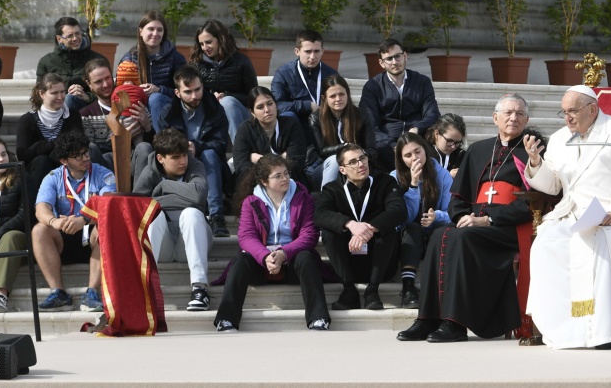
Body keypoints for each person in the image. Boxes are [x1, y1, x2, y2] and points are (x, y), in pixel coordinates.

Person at [523, 85, 611, 349]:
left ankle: (604, 333)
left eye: (572, 111)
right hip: (573, 215)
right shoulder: (561, 138)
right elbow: (553, 187)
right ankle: (566, 330)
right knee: (545, 242)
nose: (567, 118)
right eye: (563, 112)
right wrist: (536, 161)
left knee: (597, 245)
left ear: (592, 109)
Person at [397, 93, 536, 343]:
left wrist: (488, 219)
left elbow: (534, 201)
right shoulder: (478, 149)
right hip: (474, 224)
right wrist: (462, 216)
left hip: (510, 227)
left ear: (526, 120)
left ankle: (455, 323)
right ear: (495, 118)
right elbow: (458, 196)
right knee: (441, 234)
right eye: (508, 113)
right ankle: (427, 318)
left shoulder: (533, 150)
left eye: (520, 114)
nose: (513, 118)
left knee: (459, 238)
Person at [213, 155, 331, 332]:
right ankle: (226, 319)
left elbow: (309, 235)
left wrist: (284, 253)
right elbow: (246, 237)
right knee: (240, 261)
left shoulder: (303, 198)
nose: (285, 178)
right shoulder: (250, 202)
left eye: (286, 173)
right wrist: (265, 256)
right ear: (264, 181)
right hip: (262, 264)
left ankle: (319, 318)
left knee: (306, 257)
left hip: (292, 261)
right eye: (278, 176)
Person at [314, 143, 406, 311]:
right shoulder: (332, 189)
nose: (361, 164)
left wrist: (367, 230)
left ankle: (372, 291)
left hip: (379, 263)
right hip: (347, 262)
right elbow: (319, 215)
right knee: (329, 233)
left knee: (389, 231)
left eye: (363, 158)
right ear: (342, 169)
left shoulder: (385, 182)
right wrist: (350, 225)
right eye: (353, 162)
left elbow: (399, 210)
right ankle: (349, 291)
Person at [32, 132, 116, 311]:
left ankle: (92, 292)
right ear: (64, 161)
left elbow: (108, 206)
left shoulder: (104, 174)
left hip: (92, 236)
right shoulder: (53, 177)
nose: (85, 158)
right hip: (64, 236)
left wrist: (84, 219)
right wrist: (55, 222)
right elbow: (41, 209)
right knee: (39, 230)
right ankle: (59, 293)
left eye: (86, 152)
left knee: (106, 226)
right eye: (78, 155)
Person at [133, 128, 214, 311]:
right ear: (161, 158)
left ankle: (200, 289)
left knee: (191, 213)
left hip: (193, 242)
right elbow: (138, 207)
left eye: (184, 155)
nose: (183, 161)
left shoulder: (195, 166)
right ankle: (144, 288)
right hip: (163, 246)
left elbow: (198, 196)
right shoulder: (150, 171)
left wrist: (163, 187)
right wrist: (174, 198)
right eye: (176, 157)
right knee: (154, 215)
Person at [159, 65, 230, 237]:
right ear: (177, 93)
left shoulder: (215, 109)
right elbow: (163, 145)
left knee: (209, 154)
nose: (194, 95)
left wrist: (197, 146)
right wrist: (183, 148)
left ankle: (216, 216)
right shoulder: (168, 113)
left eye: (198, 89)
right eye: (188, 92)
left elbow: (220, 144)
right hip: (181, 163)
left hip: (211, 162)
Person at [390, 132, 452, 309]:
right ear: (401, 159)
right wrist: (413, 184)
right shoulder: (394, 177)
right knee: (412, 228)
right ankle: (408, 288)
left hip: (434, 231)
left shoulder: (442, 175)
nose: (414, 158)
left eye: (417, 151)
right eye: (408, 155)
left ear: (425, 149)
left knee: (443, 231)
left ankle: (444, 288)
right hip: (406, 236)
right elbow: (405, 217)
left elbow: (451, 212)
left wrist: (436, 216)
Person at [359, 38, 440, 172]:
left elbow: (433, 114)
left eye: (398, 56)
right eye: (389, 59)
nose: (394, 62)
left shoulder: (422, 82)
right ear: (381, 63)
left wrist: (417, 128)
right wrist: (392, 145)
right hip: (386, 145)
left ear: (405, 56)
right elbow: (369, 123)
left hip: (417, 138)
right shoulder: (373, 86)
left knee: (430, 152)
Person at [79, 59, 154, 176]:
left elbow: (154, 147)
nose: (105, 84)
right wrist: (119, 139)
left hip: (135, 164)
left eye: (107, 78)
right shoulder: (86, 115)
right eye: (98, 81)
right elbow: (89, 152)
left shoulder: (136, 104)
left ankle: (139, 193)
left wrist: (148, 127)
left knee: (144, 147)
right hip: (104, 168)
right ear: (89, 84)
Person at [189, 19, 258, 144]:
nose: (205, 48)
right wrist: (209, 97)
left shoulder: (241, 61)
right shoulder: (196, 64)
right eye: (202, 44)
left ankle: (240, 153)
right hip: (209, 113)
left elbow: (254, 96)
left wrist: (227, 96)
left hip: (238, 114)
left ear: (221, 39)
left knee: (227, 102)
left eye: (209, 42)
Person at [119, 11, 186, 132]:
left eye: (159, 30)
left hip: (167, 107)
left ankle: (161, 143)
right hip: (138, 107)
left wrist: (159, 90)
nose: (155, 34)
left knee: (155, 98)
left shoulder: (176, 59)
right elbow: (120, 92)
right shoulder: (129, 59)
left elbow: (184, 93)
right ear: (140, 31)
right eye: (150, 29)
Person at [232, 86, 309, 189]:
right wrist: (281, 157)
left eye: (270, 103)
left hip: (289, 179)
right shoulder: (245, 129)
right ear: (252, 112)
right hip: (257, 183)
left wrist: (259, 159)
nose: (267, 110)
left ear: (275, 104)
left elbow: (297, 161)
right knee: (246, 173)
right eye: (260, 107)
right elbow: (240, 165)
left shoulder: (291, 124)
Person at [308, 74, 376, 189]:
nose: (338, 99)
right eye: (333, 96)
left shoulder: (362, 115)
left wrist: (355, 157)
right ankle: (327, 201)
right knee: (335, 161)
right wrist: (345, 147)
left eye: (341, 94)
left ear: (347, 95)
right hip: (324, 168)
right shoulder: (315, 118)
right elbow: (322, 151)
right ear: (324, 98)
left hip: (356, 166)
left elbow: (372, 150)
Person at [271, 30, 337, 145]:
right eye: (308, 51)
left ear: (322, 51)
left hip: (325, 126)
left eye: (316, 51)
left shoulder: (331, 75)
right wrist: (307, 105)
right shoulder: (284, 73)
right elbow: (277, 105)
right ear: (297, 51)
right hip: (297, 127)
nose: (312, 56)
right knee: (287, 116)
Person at [16, 73, 83, 183]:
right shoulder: (27, 120)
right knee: (42, 161)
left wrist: (42, 147)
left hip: (66, 166)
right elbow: (23, 155)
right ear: (42, 94)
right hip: (38, 172)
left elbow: (78, 143)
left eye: (62, 92)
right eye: (54, 93)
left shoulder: (73, 115)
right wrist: (54, 144)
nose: (60, 97)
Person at [0, 137, 36, 313]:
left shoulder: (21, 176)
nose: (1, 160)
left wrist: (0, 231)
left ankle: (0, 295)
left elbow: (25, 214)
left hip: (18, 234)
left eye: (3, 154)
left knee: (9, 237)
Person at [36, 17, 106, 111]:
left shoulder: (97, 60)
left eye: (77, 33)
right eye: (70, 36)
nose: (75, 38)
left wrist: (87, 96)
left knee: (69, 100)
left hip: (88, 109)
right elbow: (39, 94)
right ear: (59, 38)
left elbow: (107, 91)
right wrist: (60, 94)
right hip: (55, 110)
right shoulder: (46, 62)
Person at [426, 113, 467, 178]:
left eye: (458, 143)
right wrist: (448, 176)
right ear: (436, 134)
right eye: (449, 141)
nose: (453, 146)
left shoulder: (462, 155)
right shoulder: (425, 154)